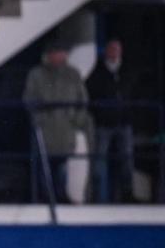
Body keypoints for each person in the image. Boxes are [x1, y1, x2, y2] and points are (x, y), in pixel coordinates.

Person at [23, 40, 93, 204]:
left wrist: (75, 119)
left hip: (65, 129)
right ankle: (45, 197)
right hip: (45, 129)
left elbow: (82, 99)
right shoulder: (36, 74)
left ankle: (60, 196)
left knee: (63, 165)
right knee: (44, 165)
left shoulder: (72, 74)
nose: (61, 56)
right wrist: (39, 120)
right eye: (58, 52)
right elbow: (28, 98)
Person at [87, 39, 136, 203]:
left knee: (127, 159)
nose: (114, 52)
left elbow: (132, 93)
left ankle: (127, 194)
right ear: (106, 51)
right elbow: (91, 94)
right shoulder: (97, 71)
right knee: (99, 161)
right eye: (112, 49)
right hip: (104, 124)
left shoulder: (127, 70)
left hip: (124, 122)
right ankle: (96, 196)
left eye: (117, 49)